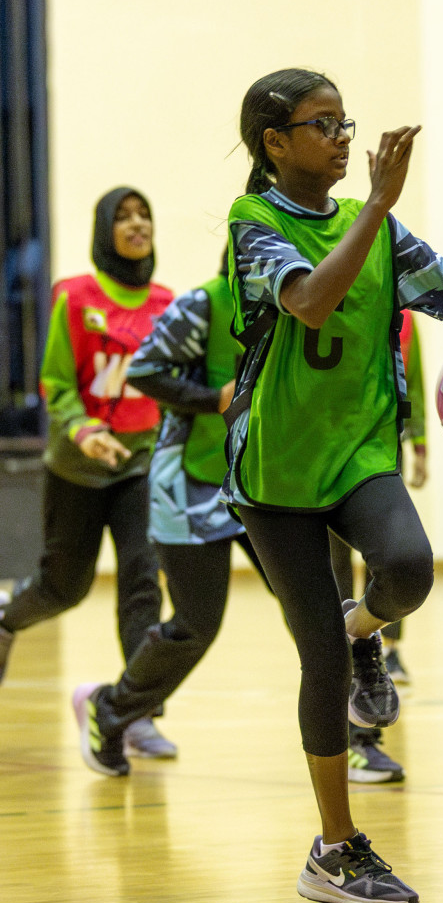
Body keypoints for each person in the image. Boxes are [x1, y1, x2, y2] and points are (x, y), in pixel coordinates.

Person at [226, 67, 443, 903]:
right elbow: (308, 301)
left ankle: (362, 625)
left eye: (346, 122)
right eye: (322, 124)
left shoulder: (372, 222)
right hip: (274, 472)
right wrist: (375, 204)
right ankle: (335, 849)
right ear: (275, 143)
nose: (343, 137)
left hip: (359, 454)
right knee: (319, 664)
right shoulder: (253, 220)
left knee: (408, 570)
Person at [71, 255, 272, 775]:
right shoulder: (204, 303)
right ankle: (111, 710)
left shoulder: (306, 304)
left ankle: (357, 739)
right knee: (196, 624)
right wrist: (212, 399)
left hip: (264, 482)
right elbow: (143, 369)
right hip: (191, 485)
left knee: (316, 608)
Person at [0, 188, 175, 757]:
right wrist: (84, 431)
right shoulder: (73, 296)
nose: (137, 224)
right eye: (123, 217)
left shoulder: (166, 302)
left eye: (143, 214)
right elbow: (55, 381)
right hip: (77, 466)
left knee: (143, 582)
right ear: (105, 230)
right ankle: (6, 618)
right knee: (64, 588)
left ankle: (134, 710)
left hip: (139, 464)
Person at [330, 307, 426, 784]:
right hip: (305, 464)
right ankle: (350, 741)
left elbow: (417, 384)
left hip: (373, 457)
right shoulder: (301, 292)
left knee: (394, 565)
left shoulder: (403, 313)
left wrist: (421, 443)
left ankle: (359, 738)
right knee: (329, 595)